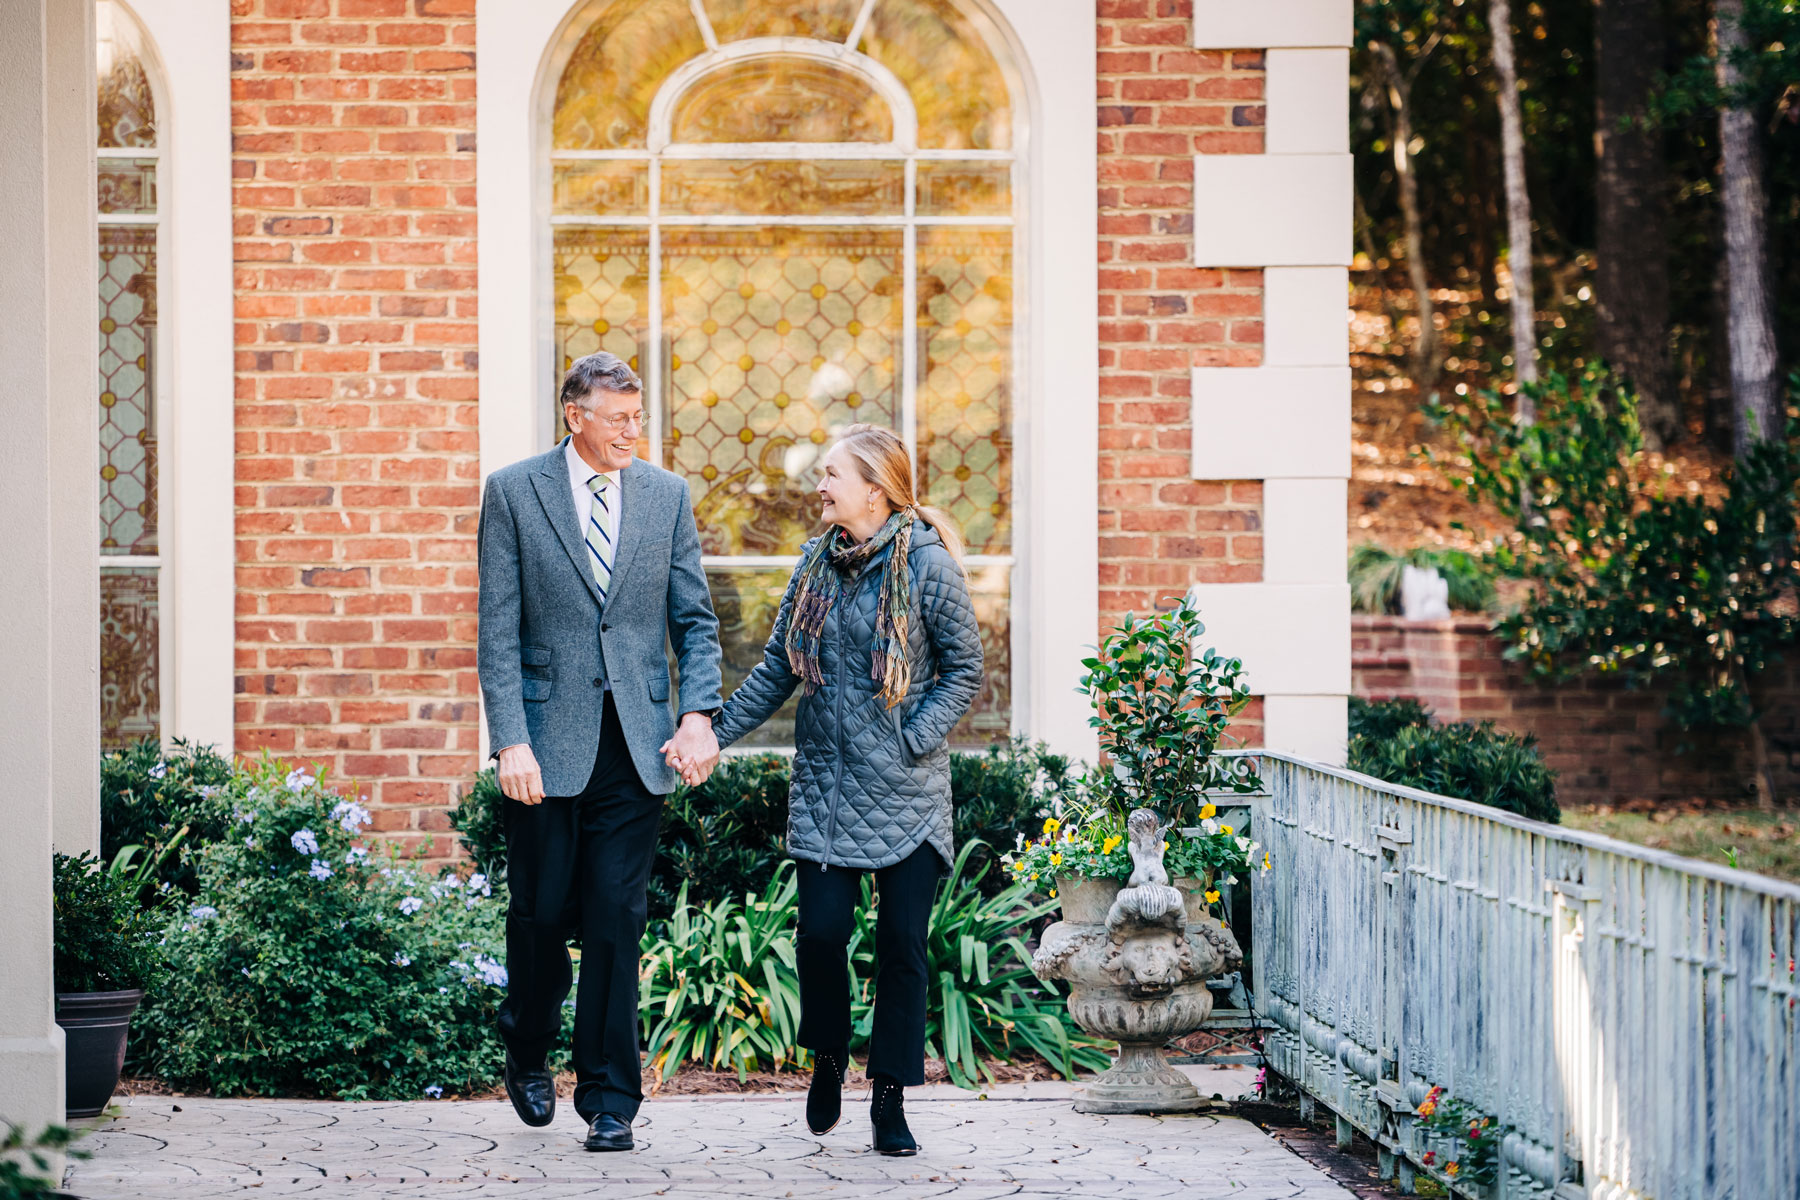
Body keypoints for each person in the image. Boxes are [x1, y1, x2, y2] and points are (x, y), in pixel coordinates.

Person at [696, 423, 983, 1156]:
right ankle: (827, 1055)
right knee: (820, 936)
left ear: (874, 490)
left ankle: (890, 1099)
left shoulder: (927, 565)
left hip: (909, 793)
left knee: (901, 946)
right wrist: (713, 733)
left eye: (831, 474)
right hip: (828, 788)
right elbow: (777, 668)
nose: (819, 486)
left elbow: (964, 672)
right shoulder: (815, 566)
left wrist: (911, 737)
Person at [476, 351, 724, 1153]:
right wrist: (509, 738)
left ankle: (611, 1097)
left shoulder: (666, 495)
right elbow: (498, 631)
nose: (632, 430)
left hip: (638, 743)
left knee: (618, 921)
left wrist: (697, 716)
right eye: (617, 416)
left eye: (637, 415)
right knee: (544, 917)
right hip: (545, 745)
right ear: (574, 415)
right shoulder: (514, 492)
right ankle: (525, 1042)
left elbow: (695, 621)